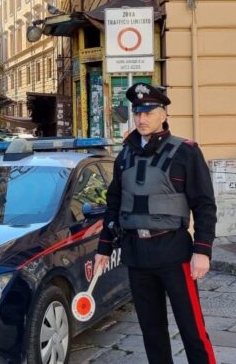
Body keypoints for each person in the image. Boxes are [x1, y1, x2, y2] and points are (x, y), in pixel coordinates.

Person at [93, 83, 217, 364]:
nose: (141, 118)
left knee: (191, 329)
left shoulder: (186, 152)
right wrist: (103, 247)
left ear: (164, 114)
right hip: (136, 254)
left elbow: (205, 204)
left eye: (148, 111)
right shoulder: (124, 155)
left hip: (174, 252)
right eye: (137, 112)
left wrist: (202, 250)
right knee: (151, 331)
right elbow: (114, 203)